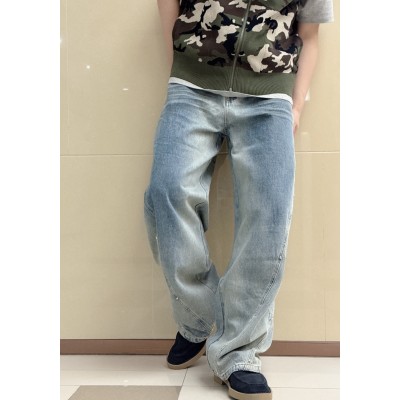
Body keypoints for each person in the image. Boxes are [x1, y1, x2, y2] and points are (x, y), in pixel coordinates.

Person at [144, 1, 334, 399]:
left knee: (269, 216)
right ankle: (197, 319)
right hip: (191, 88)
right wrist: (179, 66)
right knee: (167, 193)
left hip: (270, 98)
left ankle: (239, 353)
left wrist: (297, 105)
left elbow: (310, 35)